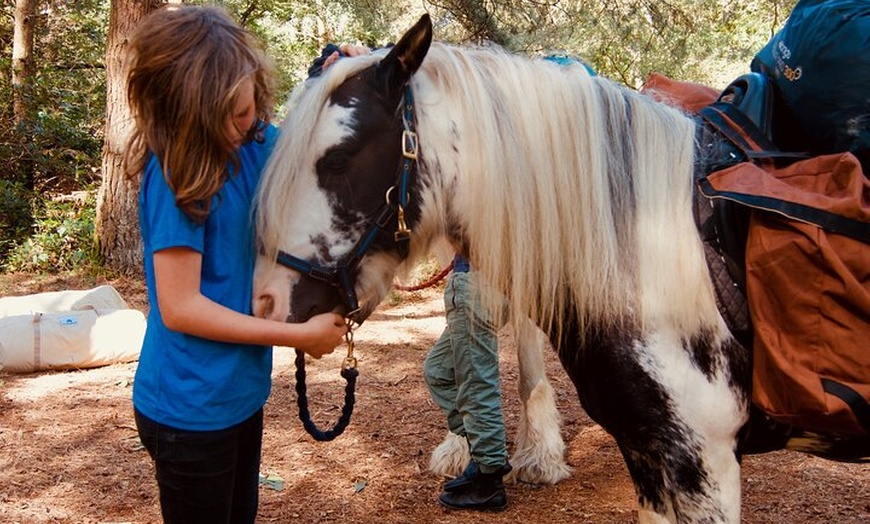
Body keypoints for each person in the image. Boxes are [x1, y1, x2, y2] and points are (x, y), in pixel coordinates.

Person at [123, 6, 348, 523]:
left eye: (246, 109)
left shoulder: (252, 144)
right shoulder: (176, 176)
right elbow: (180, 308)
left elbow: (311, 140)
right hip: (187, 412)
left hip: (238, 397)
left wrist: (339, 73)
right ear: (183, 113)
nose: (241, 126)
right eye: (224, 117)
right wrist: (301, 336)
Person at [423, 253, 512, 511]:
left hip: (475, 283)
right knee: (438, 371)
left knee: (475, 384)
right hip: (478, 281)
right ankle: (485, 449)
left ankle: (489, 481)